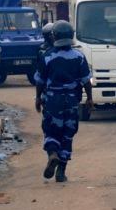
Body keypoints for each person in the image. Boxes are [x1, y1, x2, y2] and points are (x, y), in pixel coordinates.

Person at [34, 20, 92, 183]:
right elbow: (86, 81)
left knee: (51, 130)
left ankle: (52, 154)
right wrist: (90, 99)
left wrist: (38, 98)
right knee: (68, 134)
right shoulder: (79, 56)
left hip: (52, 100)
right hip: (72, 100)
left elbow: (40, 81)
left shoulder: (47, 56)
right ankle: (61, 172)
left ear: (54, 36)